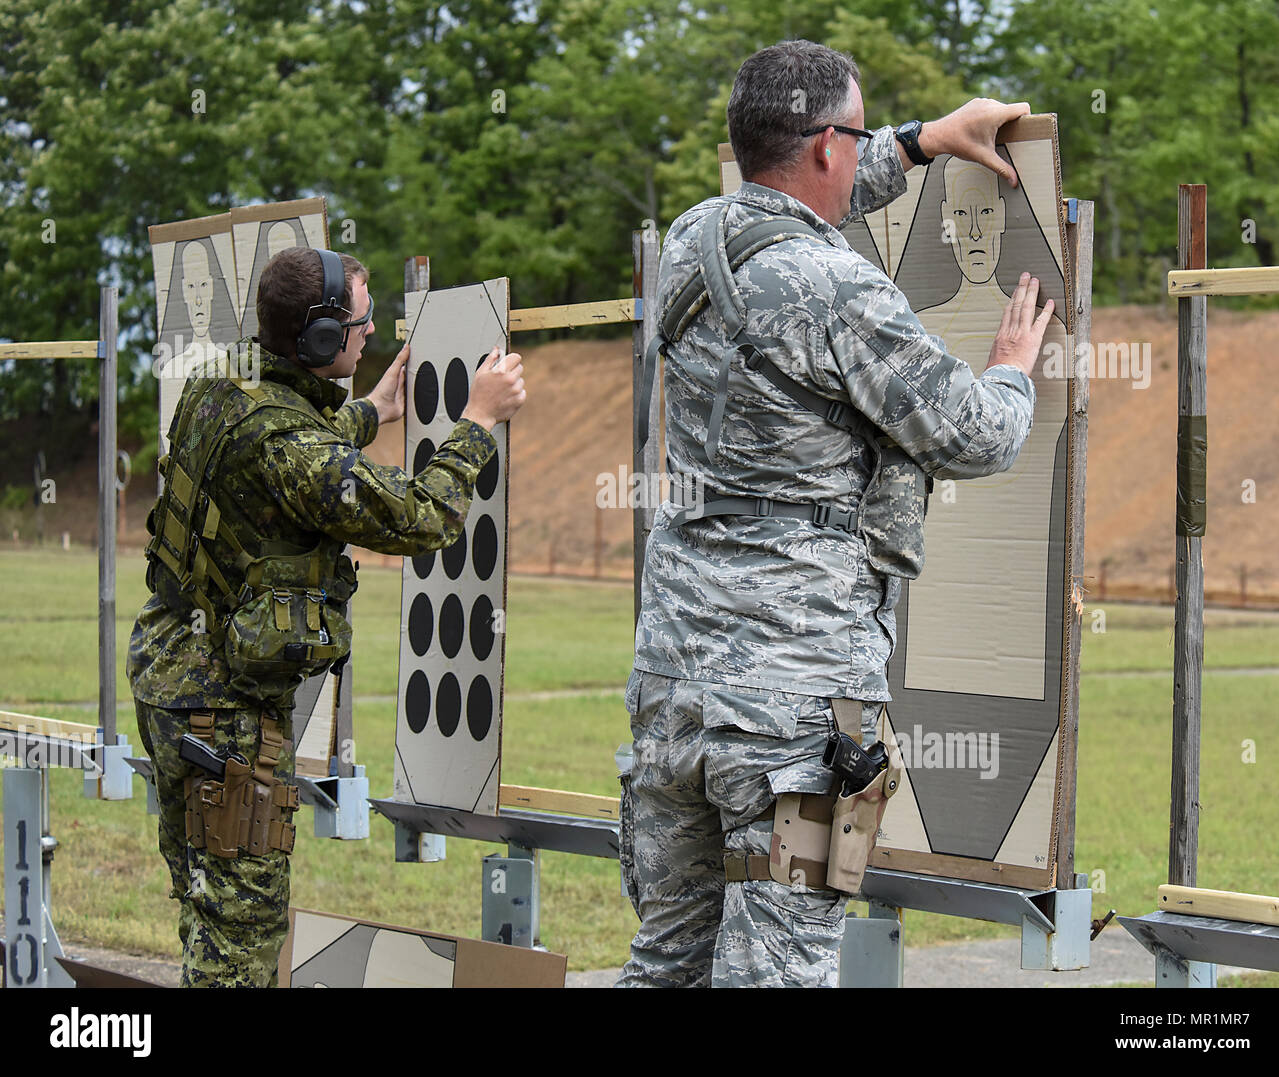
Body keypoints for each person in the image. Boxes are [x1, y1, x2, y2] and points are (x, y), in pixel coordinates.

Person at [617, 40, 1054, 988]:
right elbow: (975, 436)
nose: (863, 154)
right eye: (857, 136)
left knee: (666, 964)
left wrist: (927, 141)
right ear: (823, 145)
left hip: (673, 682)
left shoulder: (695, 238)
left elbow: (803, 207)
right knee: (774, 973)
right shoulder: (836, 289)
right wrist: (1013, 371)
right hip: (792, 699)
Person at [128, 246, 526, 987]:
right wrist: (477, 418)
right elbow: (420, 517)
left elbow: (288, 456)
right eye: (360, 322)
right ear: (317, 341)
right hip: (226, 715)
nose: (371, 332)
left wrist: (372, 410)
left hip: (168, 674)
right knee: (241, 947)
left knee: (206, 904)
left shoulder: (219, 391)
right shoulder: (294, 445)